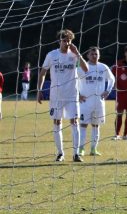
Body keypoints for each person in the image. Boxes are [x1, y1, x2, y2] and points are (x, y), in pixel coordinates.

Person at [37, 29, 89, 162]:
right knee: (57, 122)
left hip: (72, 95)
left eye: (69, 41)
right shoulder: (52, 55)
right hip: (56, 96)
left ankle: (76, 154)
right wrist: (39, 90)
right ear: (59, 41)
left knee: (74, 122)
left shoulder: (74, 55)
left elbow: (86, 69)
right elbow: (43, 72)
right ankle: (60, 153)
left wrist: (78, 53)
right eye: (64, 40)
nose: (67, 43)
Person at [77, 47, 115, 157]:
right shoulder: (82, 67)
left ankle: (94, 149)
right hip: (85, 102)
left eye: (96, 54)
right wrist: (78, 94)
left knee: (96, 125)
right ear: (87, 55)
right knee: (83, 125)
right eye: (92, 54)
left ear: (99, 56)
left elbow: (112, 79)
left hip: (99, 102)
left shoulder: (103, 67)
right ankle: (81, 148)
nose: (94, 56)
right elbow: (74, 80)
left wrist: (108, 91)